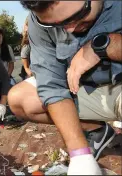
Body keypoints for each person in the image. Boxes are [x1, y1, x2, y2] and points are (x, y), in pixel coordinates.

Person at [8, 1, 121, 175]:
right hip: (84, 91)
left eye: (77, 16)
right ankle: (96, 130)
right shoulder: (37, 22)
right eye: (56, 25)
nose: (69, 29)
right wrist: (80, 154)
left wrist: (105, 45)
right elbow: (50, 83)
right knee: (20, 98)